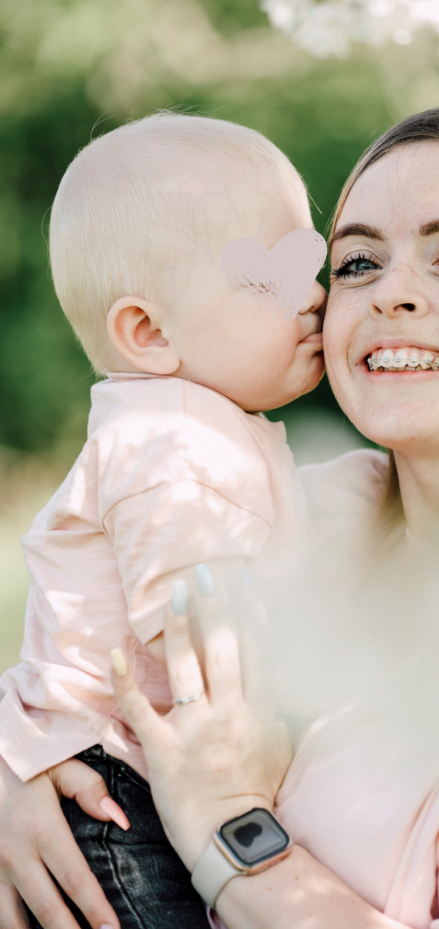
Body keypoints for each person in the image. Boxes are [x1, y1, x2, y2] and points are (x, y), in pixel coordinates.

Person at [1, 106, 439, 929]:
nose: (393, 294)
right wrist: (25, 762)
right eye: (354, 264)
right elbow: (85, 625)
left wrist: (231, 828)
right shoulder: (315, 514)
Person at [0, 113, 325, 928]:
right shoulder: (173, 440)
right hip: (114, 798)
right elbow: (198, 633)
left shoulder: (196, 424)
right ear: (149, 332)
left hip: (130, 777)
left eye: (311, 263)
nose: (316, 297)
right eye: (273, 280)